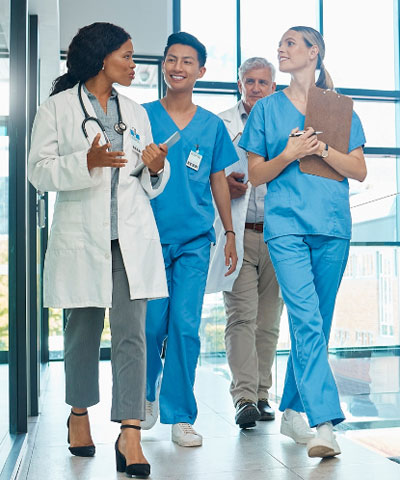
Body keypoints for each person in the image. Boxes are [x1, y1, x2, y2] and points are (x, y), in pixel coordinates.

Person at [27, 22, 171, 478]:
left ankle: (130, 432)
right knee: (82, 336)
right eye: (127, 55)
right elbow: (38, 172)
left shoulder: (137, 112)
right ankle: (78, 415)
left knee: (133, 336)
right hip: (81, 239)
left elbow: (149, 184)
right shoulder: (55, 109)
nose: (134, 64)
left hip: (129, 241)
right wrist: (84, 161)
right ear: (101, 57)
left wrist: (155, 167)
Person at [240, 26, 366, 458]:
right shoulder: (266, 110)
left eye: (291, 43)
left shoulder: (338, 107)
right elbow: (256, 175)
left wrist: (323, 151)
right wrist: (290, 155)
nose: (282, 48)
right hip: (286, 226)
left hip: (332, 226)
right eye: (281, 44)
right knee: (307, 321)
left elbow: (359, 169)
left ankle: (292, 407)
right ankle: (324, 423)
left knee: (318, 324)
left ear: (314, 52)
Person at [140, 32, 238, 447]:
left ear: (201, 70)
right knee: (148, 326)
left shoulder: (212, 126)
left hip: (196, 241)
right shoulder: (142, 115)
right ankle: (145, 398)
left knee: (184, 325)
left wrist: (230, 232)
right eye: (170, 59)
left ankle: (180, 414)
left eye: (186, 61)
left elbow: (218, 179)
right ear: (163, 65)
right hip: (146, 238)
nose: (177, 67)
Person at [206, 57, 284, 429]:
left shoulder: (287, 123)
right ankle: (244, 399)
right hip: (237, 233)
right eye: (249, 81)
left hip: (277, 235)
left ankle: (263, 395)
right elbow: (206, 175)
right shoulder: (220, 124)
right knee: (241, 317)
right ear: (239, 84)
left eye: (263, 82)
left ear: (273, 87)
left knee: (268, 322)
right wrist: (221, 183)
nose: (255, 88)